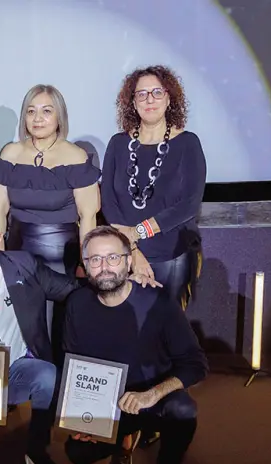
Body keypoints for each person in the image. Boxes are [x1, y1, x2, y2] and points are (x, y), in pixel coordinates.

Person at [0, 202, 157, 464]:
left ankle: (36, 448)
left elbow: (71, 289)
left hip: (20, 367)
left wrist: (119, 285)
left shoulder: (23, 265)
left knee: (49, 377)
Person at [63, 225, 208, 464]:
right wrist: (81, 417)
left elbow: (196, 364)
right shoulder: (77, 304)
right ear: (85, 266)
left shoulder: (158, 302)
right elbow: (74, 364)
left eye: (113, 257)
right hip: (108, 402)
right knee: (79, 452)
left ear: (128, 261)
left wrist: (152, 395)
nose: (105, 267)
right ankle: (124, 442)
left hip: (153, 399)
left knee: (182, 410)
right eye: (95, 259)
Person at [0, 84, 101, 341]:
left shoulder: (76, 156)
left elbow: (88, 217)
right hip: (17, 253)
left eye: (46, 111)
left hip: (61, 259)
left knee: (56, 328)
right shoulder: (11, 153)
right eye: (31, 111)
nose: (37, 118)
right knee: (20, 327)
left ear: (59, 116)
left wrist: (87, 263)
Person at [100, 65, 207, 310]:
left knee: (167, 326)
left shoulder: (188, 143)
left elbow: (189, 204)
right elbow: (109, 202)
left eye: (157, 93)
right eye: (142, 94)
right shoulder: (117, 144)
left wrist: (138, 232)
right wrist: (132, 248)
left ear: (169, 99)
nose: (149, 100)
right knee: (126, 326)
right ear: (132, 102)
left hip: (172, 255)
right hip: (125, 256)